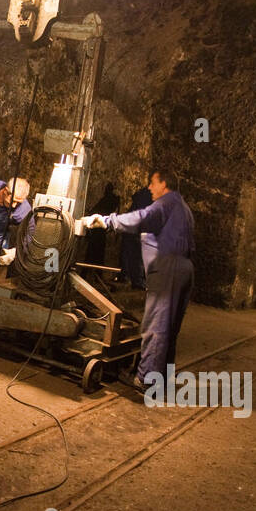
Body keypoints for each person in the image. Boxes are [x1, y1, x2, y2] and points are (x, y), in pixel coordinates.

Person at [82, 168, 195, 394]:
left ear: (165, 184)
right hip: (184, 269)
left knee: (157, 325)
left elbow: (142, 217)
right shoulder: (184, 208)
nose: (149, 188)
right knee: (170, 328)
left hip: (167, 268)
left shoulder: (166, 202)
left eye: (153, 183)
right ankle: (161, 378)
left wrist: (106, 221)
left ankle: (146, 380)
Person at [117, 177, 153, 290]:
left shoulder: (142, 195)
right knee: (137, 255)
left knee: (128, 253)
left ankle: (125, 276)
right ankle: (136, 281)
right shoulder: (149, 197)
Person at [82, 181, 120, 268]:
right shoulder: (112, 200)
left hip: (98, 229)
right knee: (98, 253)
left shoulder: (106, 200)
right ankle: (96, 273)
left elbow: (95, 211)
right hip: (101, 229)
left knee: (91, 252)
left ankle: (87, 272)